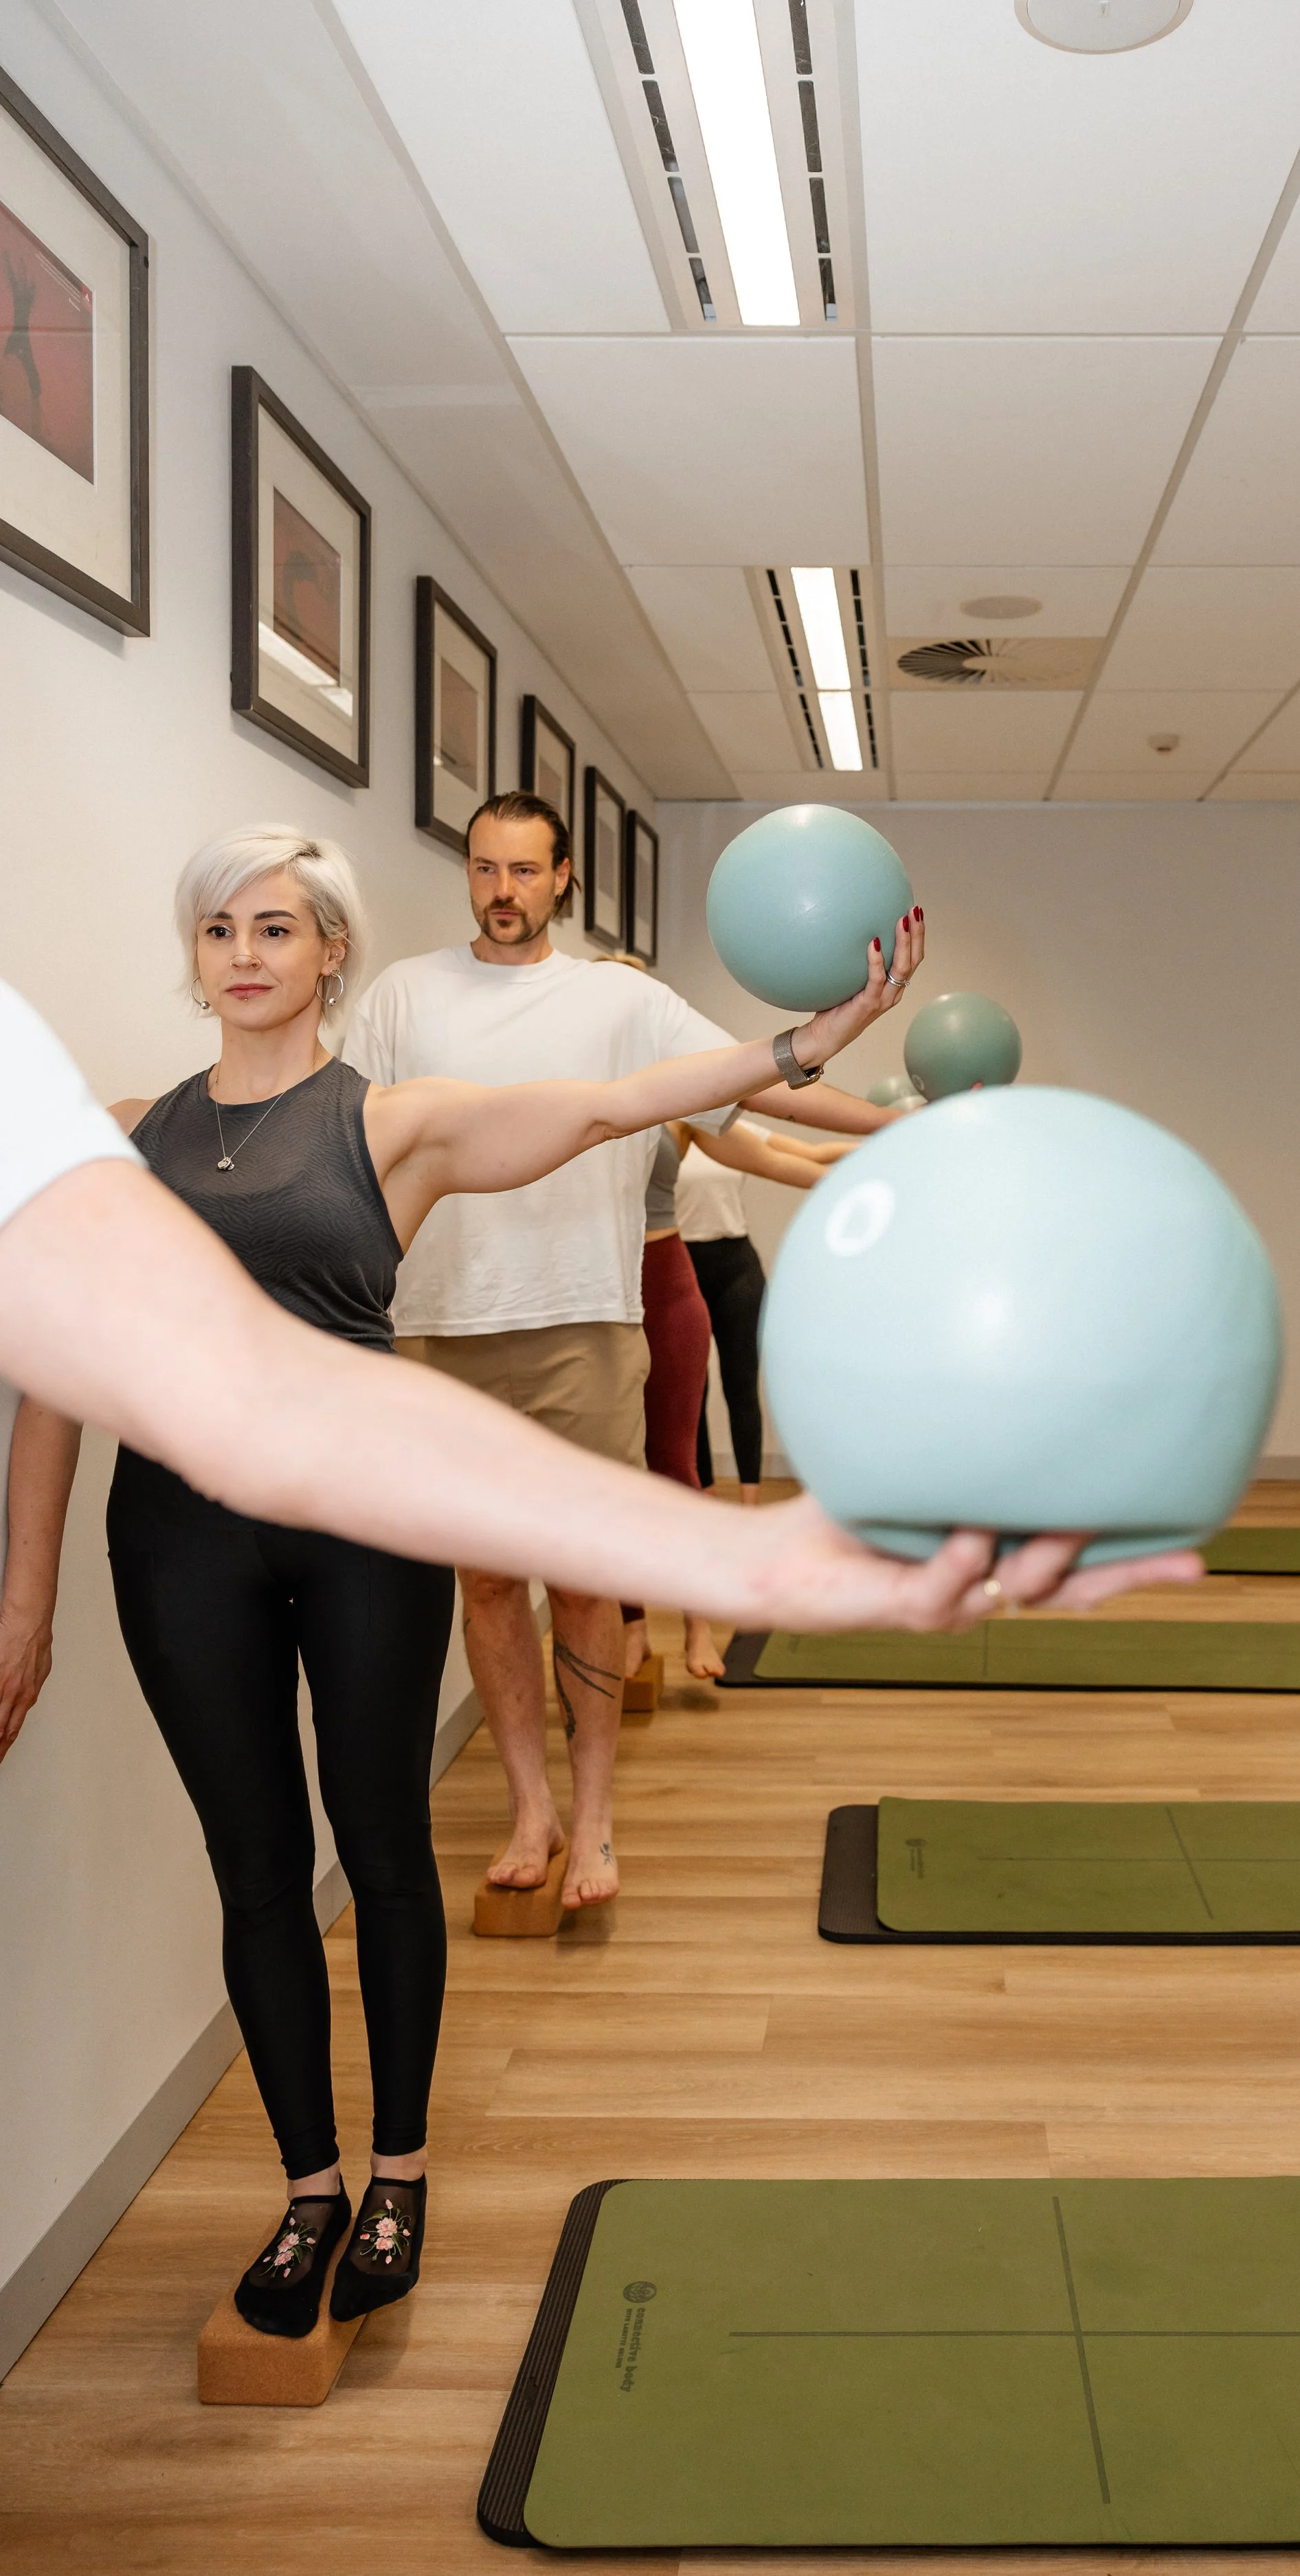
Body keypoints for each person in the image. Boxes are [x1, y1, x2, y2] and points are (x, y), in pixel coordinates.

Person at [1, 824, 927, 2342]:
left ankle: (400, 2171)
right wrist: (24, 1597)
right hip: (176, 1540)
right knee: (252, 1871)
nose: (246, 953)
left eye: (278, 929)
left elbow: (616, 1102)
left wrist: (795, 1045)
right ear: (197, 958)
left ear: (329, 957)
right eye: (221, 929)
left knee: (376, 1844)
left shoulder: (396, 1125)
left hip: (360, 1518)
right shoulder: (123, 1136)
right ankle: (306, 2189)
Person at [344, 793, 911, 1914]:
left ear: (563, 881)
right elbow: (343, 1139)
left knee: (589, 1583)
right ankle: (530, 1809)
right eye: (485, 869)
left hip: (582, 1326)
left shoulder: (619, 998)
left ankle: (596, 1818)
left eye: (523, 871)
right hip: (436, 1332)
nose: (502, 891)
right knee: (492, 1584)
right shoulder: (402, 996)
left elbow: (752, 1076)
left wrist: (894, 1118)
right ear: (469, 875)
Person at [623, 1118, 852, 1682]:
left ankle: (698, 1624)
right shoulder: (586, 1094)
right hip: (604, 1289)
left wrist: (888, 1146)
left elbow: (787, 1157)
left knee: (679, 1464)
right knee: (620, 1468)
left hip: (669, 1280)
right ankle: (633, 1627)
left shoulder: (682, 1113)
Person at [680, 1119, 853, 1506]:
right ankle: (705, 1498)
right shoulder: (664, 1133)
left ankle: (749, 1504)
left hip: (736, 1270)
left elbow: (808, 1154)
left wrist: (889, 1136)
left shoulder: (729, 1127)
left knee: (741, 1387)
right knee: (693, 1393)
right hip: (681, 1269)